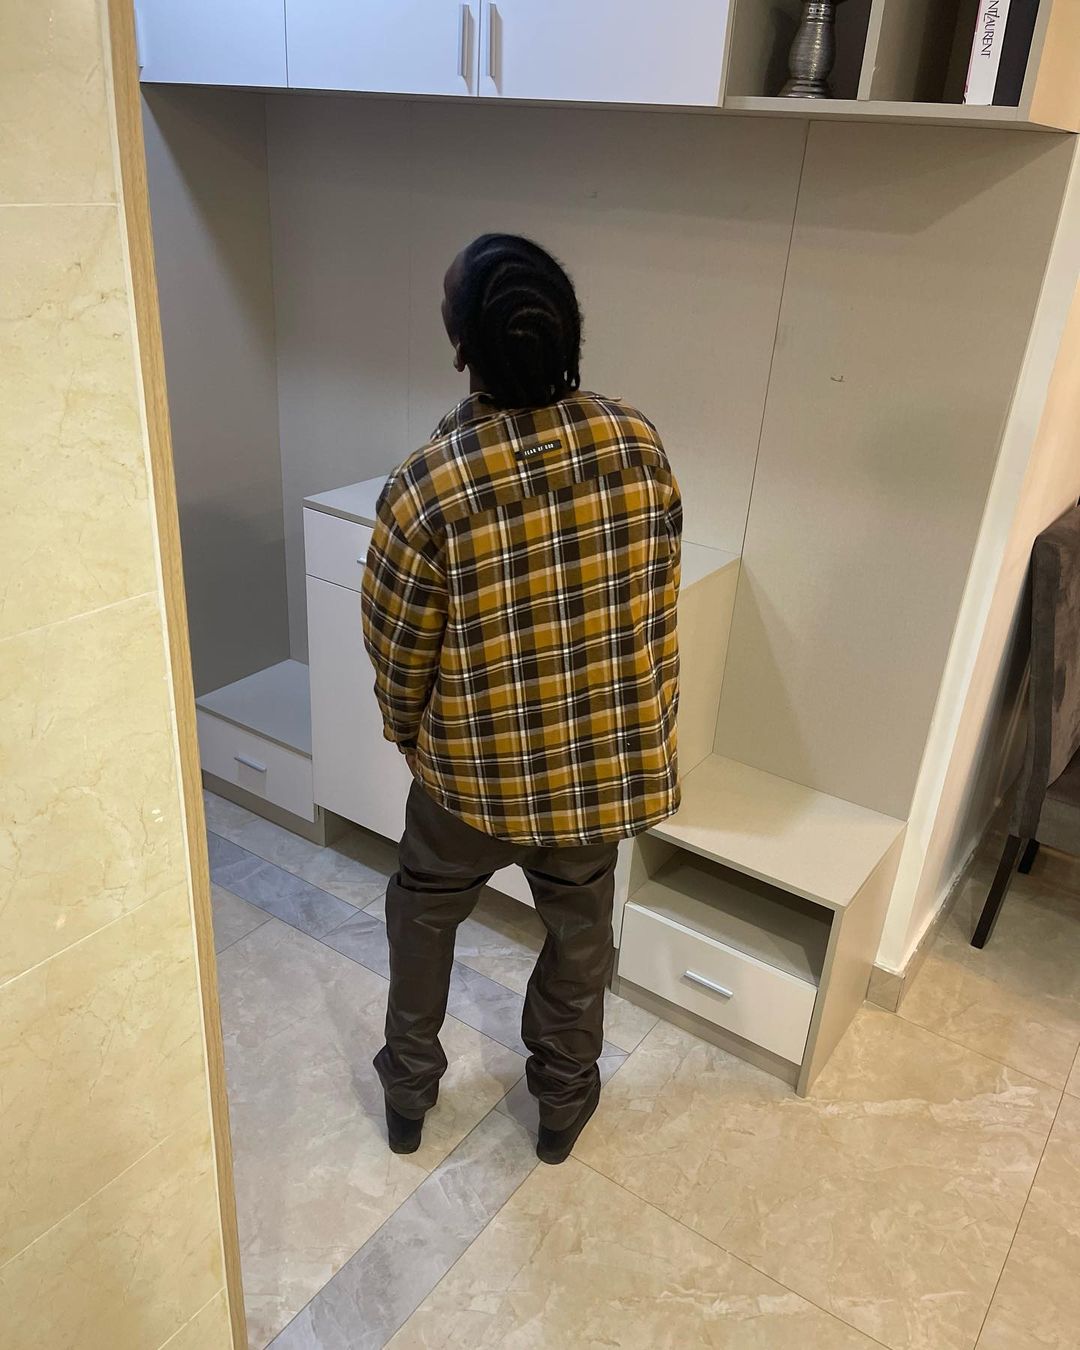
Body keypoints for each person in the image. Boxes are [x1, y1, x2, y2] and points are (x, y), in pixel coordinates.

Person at [361, 234, 681, 1165]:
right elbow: (654, 602)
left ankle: (408, 1096)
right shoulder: (636, 446)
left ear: (461, 347)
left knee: (424, 917)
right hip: (595, 773)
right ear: (569, 332)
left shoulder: (429, 487)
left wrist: (409, 737)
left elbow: (397, 647)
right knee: (580, 936)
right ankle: (562, 1105)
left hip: (470, 778)